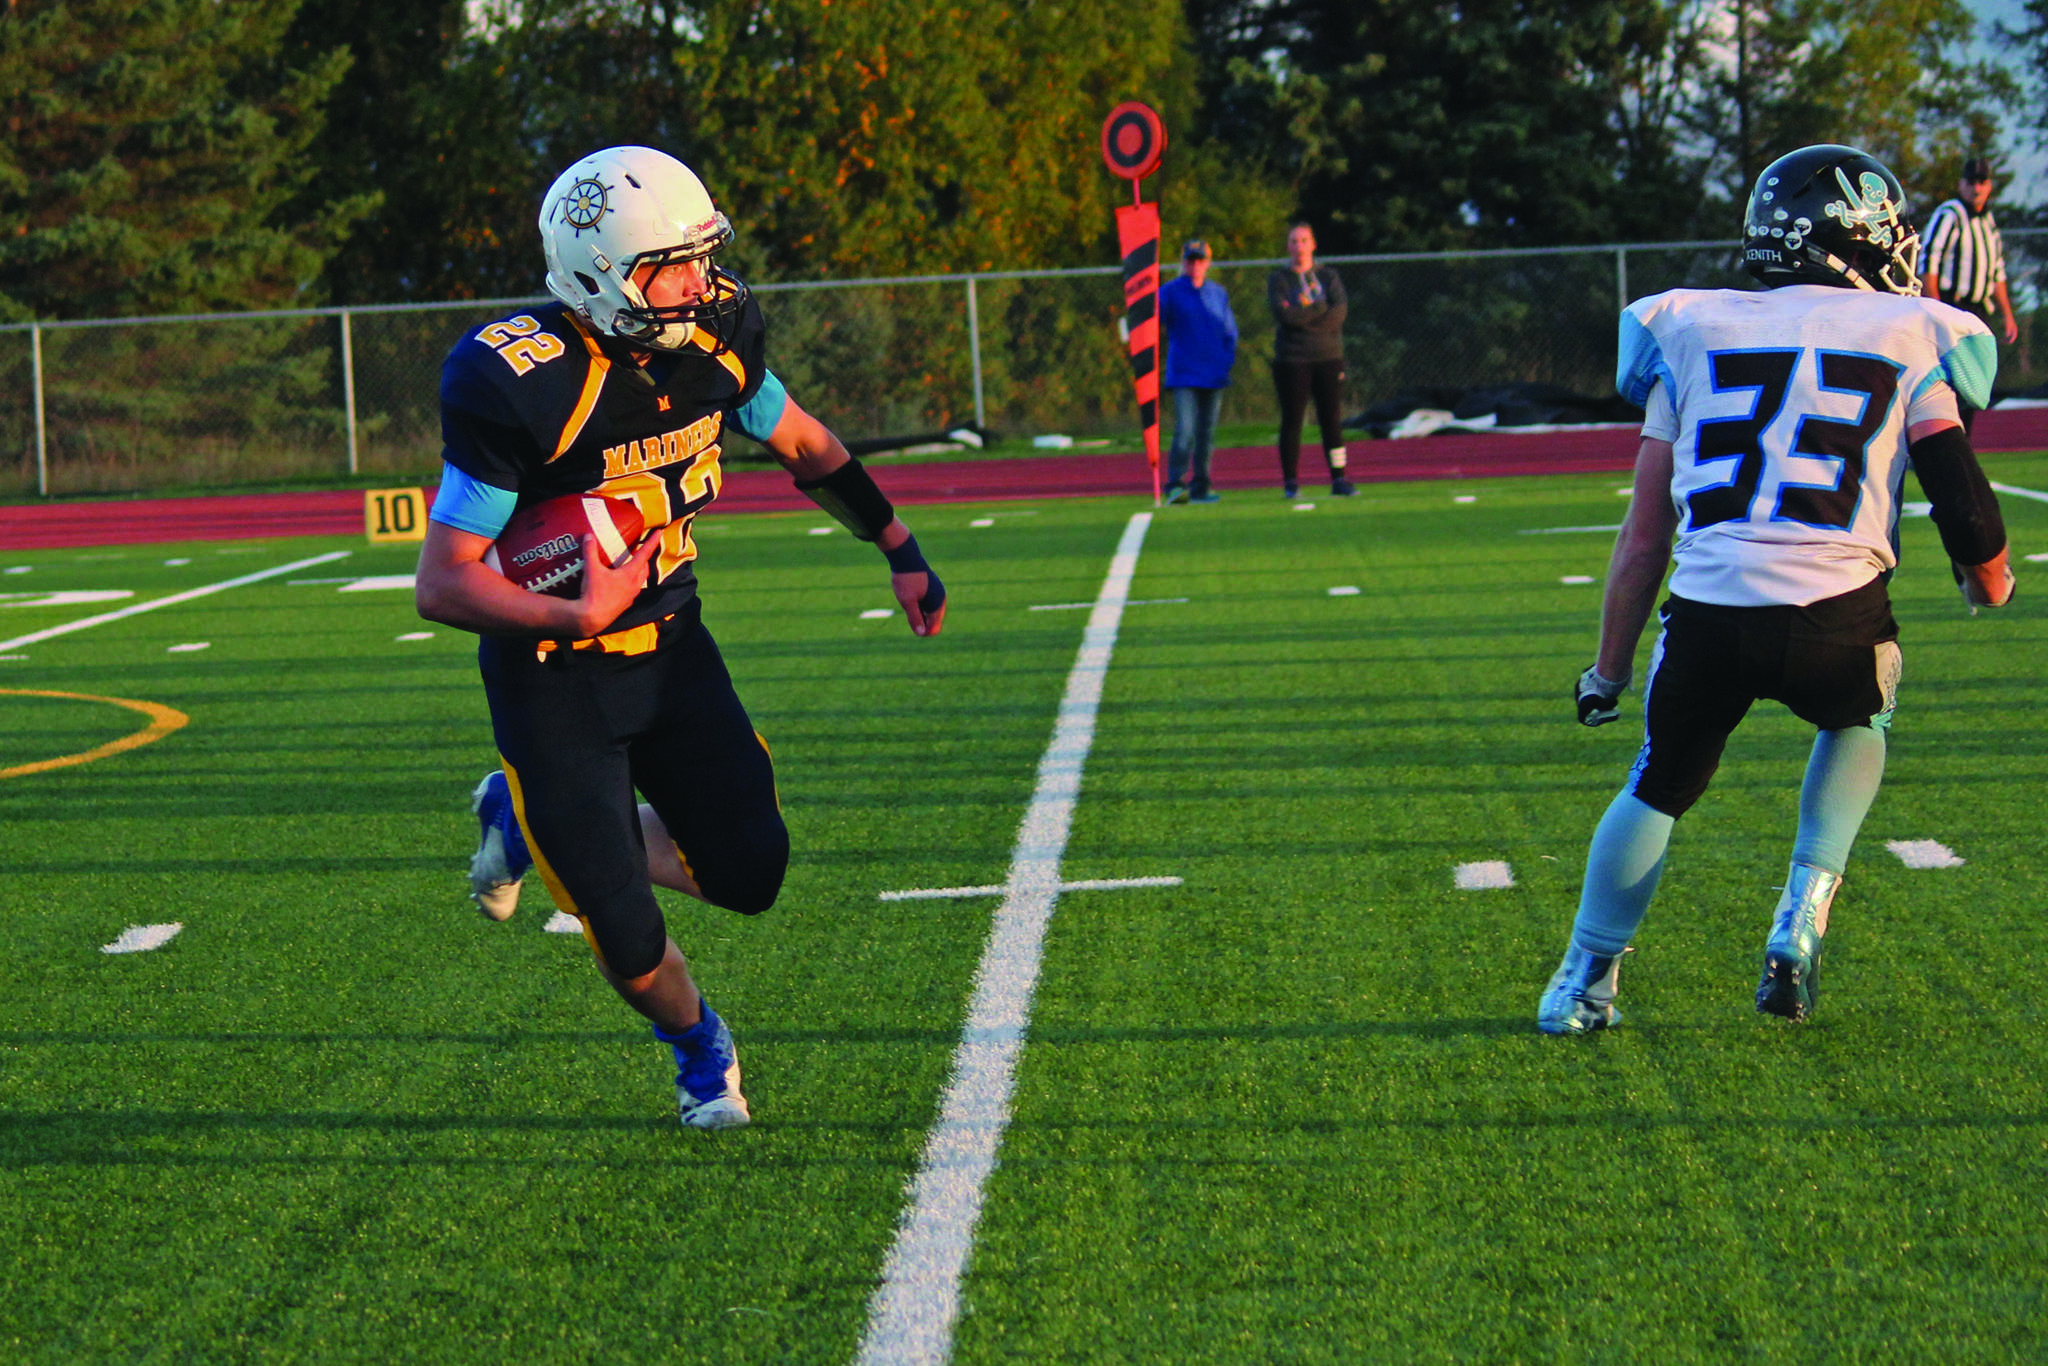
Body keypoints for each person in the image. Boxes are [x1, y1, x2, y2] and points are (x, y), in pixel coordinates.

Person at [415, 146, 947, 1129]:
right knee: (622, 931)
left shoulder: (715, 336)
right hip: (551, 680)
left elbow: (800, 441)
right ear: (600, 277)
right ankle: (699, 1045)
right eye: (673, 265)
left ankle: (518, 818)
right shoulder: (522, 382)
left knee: (750, 873)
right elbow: (441, 580)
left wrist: (895, 540)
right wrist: (573, 610)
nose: (701, 283)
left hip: (669, 651)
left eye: (703, 256)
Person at [1540, 143, 2015, 1035]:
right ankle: (1802, 908)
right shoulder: (1911, 333)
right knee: (1859, 716)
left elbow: (1645, 538)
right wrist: (1991, 584)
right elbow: (1967, 504)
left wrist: (1606, 672)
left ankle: (1583, 982)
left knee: (1658, 785)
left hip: (1710, 613)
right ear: (1854, 238)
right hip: (1839, 615)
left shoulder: (1689, 326)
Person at [1920, 156, 2021, 432]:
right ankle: (1934, 438)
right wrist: (1935, 307)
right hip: (1953, 305)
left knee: (1973, 380)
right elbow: (1929, 260)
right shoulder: (1950, 214)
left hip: (1978, 311)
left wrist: (2008, 315)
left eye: (1982, 182)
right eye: (1971, 182)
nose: (1976, 188)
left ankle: (1962, 440)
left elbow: (1997, 271)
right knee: (1946, 379)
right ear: (1961, 184)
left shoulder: (1988, 221)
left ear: (1989, 186)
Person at [1267, 223, 1354, 498]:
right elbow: (1286, 317)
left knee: (1332, 420)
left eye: (1304, 240)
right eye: (1294, 241)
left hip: (1328, 357)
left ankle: (1339, 478)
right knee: (1293, 421)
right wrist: (1317, 308)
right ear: (1288, 246)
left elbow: (1338, 312)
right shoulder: (1279, 279)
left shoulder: (1329, 277)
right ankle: (1291, 482)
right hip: (1293, 359)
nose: (1299, 246)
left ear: (1313, 244)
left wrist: (1305, 317)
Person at [1158, 239, 1239, 504]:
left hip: (1213, 373)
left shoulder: (1217, 293)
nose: (1195, 265)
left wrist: (1225, 360)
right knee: (1186, 429)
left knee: (1207, 433)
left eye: (1200, 260)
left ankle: (1201, 486)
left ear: (1208, 262)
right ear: (1183, 261)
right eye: (1191, 260)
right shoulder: (1169, 292)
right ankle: (1175, 484)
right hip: (1184, 373)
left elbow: (1230, 332)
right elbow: (1152, 321)